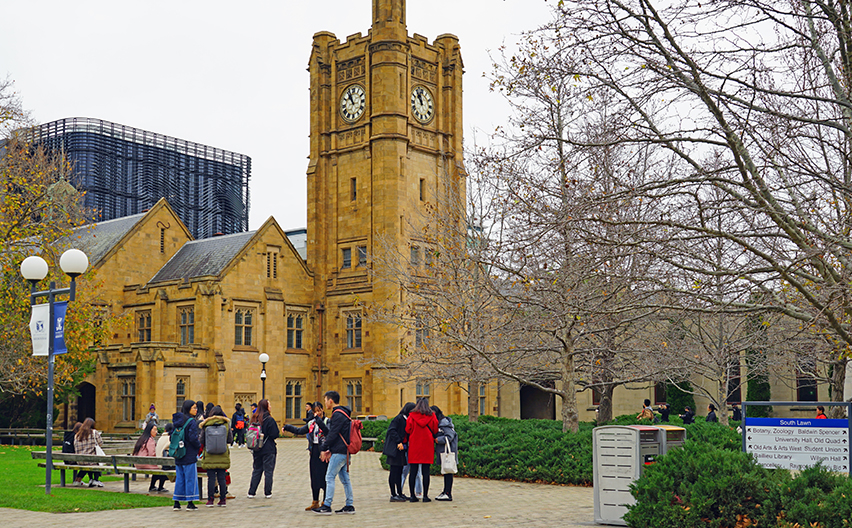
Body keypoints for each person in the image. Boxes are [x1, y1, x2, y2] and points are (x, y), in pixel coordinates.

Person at [312, 390, 355, 515]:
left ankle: (327, 505)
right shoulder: (344, 413)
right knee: (345, 479)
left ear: (330, 401)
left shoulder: (337, 414)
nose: (325, 403)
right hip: (345, 451)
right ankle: (349, 505)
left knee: (329, 477)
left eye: (325, 400)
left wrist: (324, 448)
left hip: (339, 452)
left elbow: (333, 434)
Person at [284, 401, 330, 510]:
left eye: (319, 410)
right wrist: (287, 427)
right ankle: (315, 501)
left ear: (323, 410)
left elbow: (328, 432)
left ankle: (325, 501)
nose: (317, 413)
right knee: (314, 477)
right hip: (314, 451)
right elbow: (299, 430)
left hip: (324, 452)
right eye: (315, 411)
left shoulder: (327, 421)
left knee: (324, 477)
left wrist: (318, 420)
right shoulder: (311, 423)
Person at [405, 398, 438, 502]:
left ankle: (412, 496)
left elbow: (408, 429)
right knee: (426, 472)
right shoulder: (432, 416)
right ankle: (425, 496)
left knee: (413, 472)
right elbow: (435, 429)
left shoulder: (411, 416)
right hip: (427, 446)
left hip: (415, 445)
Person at [200, 405, 232, 507]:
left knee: (211, 478)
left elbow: (201, 440)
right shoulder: (226, 424)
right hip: (222, 454)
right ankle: (222, 500)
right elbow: (230, 440)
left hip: (210, 455)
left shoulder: (206, 424)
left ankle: (210, 500)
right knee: (221, 478)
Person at [247, 398, 280, 499]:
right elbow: (275, 434)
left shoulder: (254, 418)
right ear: (266, 407)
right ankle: (267, 492)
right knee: (268, 471)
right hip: (268, 448)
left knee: (257, 470)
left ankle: (251, 492)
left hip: (257, 448)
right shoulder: (269, 419)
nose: (270, 406)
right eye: (269, 405)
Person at [172, 399, 201, 511]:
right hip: (189, 454)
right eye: (194, 407)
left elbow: (172, 436)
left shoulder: (178, 420)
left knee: (180, 478)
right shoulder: (191, 421)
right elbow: (193, 438)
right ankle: (190, 502)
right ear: (189, 409)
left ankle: (177, 502)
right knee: (190, 478)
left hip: (179, 453)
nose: (196, 409)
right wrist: (198, 445)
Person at [383, 402, 414, 502]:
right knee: (394, 472)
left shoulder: (407, 420)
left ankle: (400, 493)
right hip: (395, 449)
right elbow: (392, 430)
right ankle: (393, 494)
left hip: (402, 449)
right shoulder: (399, 418)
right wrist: (398, 441)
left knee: (400, 471)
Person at [431, 405, 458, 502]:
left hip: (447, 451)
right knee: (447, 471)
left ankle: (447, 493)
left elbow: (450, 436)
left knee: (448, 472)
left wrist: (439, 439)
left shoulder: (444, 423)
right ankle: (445, 492)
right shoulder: (441, 422)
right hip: (444, 451)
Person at [133, 421, 168, 492]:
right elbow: (152, 454)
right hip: (145, 463)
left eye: (156, 430)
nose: (156, 431)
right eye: (154, 429)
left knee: (159, 468)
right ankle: (160, 487)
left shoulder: (142, 438)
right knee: (162, 468)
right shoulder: (150, 440)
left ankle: (152, 486)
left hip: (138, 463)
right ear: (149, 430)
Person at [74, 417, 104, 487]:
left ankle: (90, 480)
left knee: (89, 461)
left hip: (80, 460)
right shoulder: (94, 432)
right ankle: (95, 480)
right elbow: (100, 443)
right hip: (91, 460)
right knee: (96, 460)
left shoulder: (77, 435)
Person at [155, 422, 174, 493]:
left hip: (158, 463)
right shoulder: (170, 439)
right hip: (164, 465)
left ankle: (157, 486)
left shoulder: (160, 438)